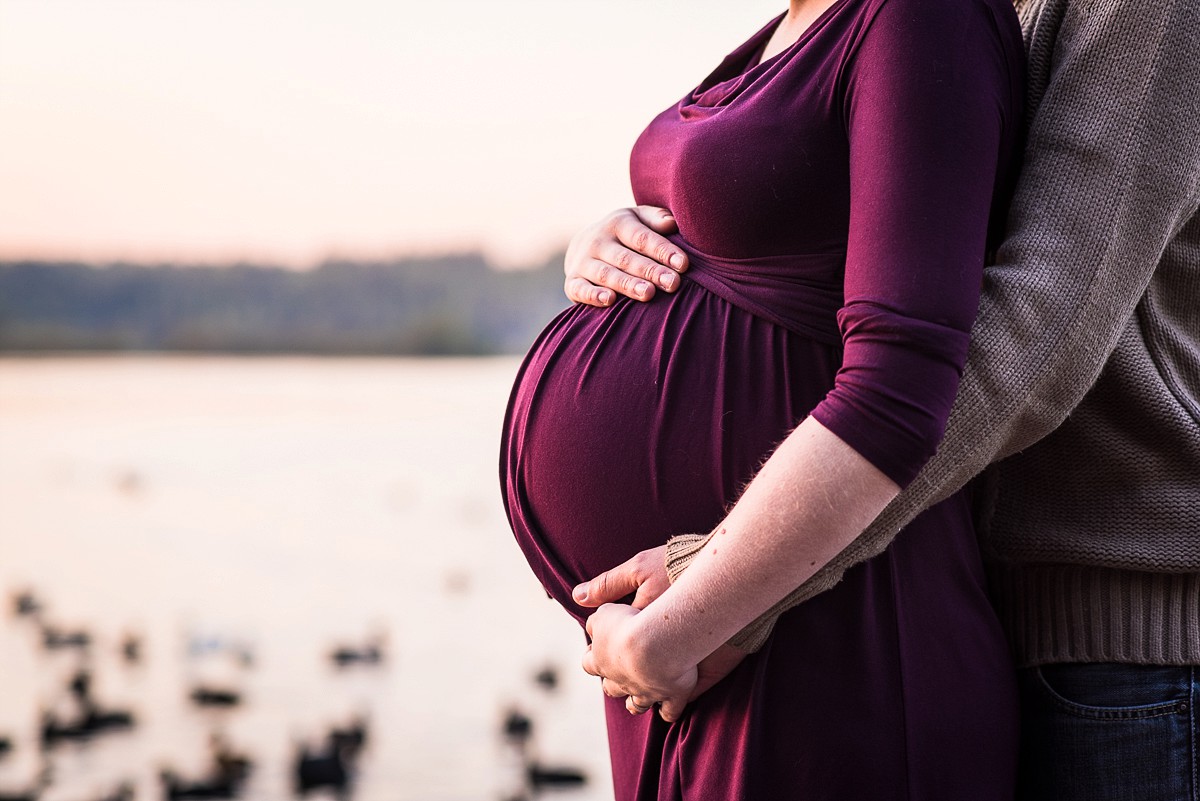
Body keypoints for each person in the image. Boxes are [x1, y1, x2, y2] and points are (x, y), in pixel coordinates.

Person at [566, 0, 1200, 799]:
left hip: (1117, 658)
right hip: (943, 598)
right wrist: (638, 236)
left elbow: (1040, 333)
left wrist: (724, 590)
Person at [500, 0, 1026, 797]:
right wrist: (617, 236)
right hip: (697, 651)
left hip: (829, 644)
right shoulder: (796, 25)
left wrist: (677, 633)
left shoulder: (922, 17)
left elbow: (900, 387)